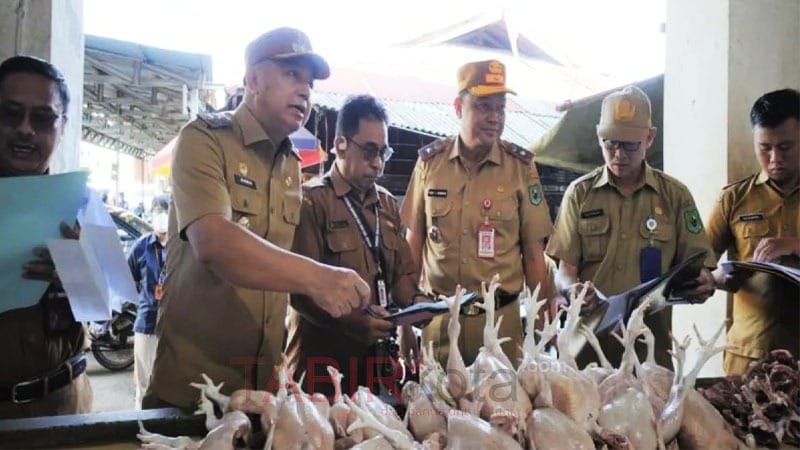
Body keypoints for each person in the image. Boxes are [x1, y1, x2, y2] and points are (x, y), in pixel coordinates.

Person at [144, 27, 371, 409]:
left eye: (310, 83)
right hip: (196, 389)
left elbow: (282, 270)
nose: (305, 91)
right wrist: (320, 278)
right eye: (291, 75)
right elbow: (214, 242)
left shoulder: (290, 167)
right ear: (252, 80)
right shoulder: (205, 140)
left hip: (263, 390)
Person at [546, 85, 717, 369]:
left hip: (649, 351)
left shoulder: (675, 196)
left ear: (649, 138)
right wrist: (572, 289)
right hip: (587, 349)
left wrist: (703, 282)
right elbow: (565, 271)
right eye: (609, 143)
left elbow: (699, 268)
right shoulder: (579, 194)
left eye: (629, 145)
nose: (618, 155)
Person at [401, 60, 554, 367]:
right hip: (439, 324)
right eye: (484, 107)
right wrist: (405, 323)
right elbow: (413, 245)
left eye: (500, 108)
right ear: (459, 107)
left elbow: (534, 255)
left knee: (504, 412)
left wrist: (540, 329)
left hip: (501, 327)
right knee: (434, 411)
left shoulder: (521, 168)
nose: (494, 118)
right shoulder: (430, 165)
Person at [286, 95, 426, 397]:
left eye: (383, 152)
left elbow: (401, 277)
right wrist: (354, 322)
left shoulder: (388, 204)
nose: (377, 162)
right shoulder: (311, 202)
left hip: (376, 367)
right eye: (369, 151)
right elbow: (300, 293)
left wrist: (419, 305)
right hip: (322, 369)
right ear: (340, 144)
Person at [0, 55, 92, 418]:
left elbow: (105, 307)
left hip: (67, 402)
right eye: (10, 114)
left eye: (42, 118)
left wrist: (78, 273)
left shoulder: (82, 207)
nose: (25, 129)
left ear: (62, 125)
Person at [707, 88, 799, 375]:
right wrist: (722, 277)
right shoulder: (733, 199)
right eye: (764, 148)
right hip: (748, 358)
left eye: (785, 147)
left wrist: (794, 244)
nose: (774, 158)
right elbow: (699, 266)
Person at [126, 209, 168, 408]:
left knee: (170, 382)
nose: (162, 217)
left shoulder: (182, 246)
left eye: (166, 212)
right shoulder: (141, 246)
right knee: (144, 382)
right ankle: (141, 424)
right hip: (147, 321)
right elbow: (129, 279)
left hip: (175, 325)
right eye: (158, 212)